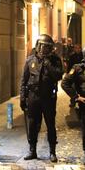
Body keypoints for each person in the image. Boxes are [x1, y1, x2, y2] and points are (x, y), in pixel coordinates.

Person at [20, 34, 63, 163]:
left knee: (50, 124)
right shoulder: (30, 60)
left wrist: (48, 63)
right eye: (42, 46)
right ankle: (32, 150)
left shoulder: (55, 60)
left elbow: (58, 75)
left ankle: (52, 151)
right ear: (38, 46)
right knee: (32, 124)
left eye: (47, 47)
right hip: (33, 96)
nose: (44, 49)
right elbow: (24, 80)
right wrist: (23, 97)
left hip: (48, 97)